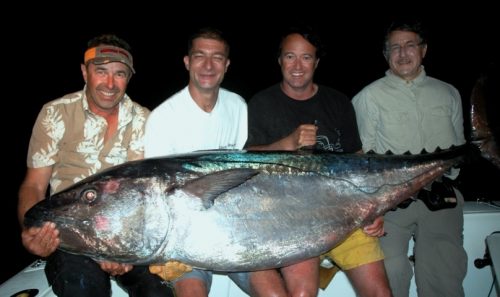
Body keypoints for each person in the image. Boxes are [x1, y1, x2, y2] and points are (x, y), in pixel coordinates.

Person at [234, 25, 392, 297]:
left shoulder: (339, 103)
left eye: (306, 57)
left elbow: (357, 163)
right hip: (295, 222)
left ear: (316, 62)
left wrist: (373, 209)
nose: (297, 65)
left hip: (346, 216)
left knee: (380, 293)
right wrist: (286, 144)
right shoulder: (261, 104)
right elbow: (245, 163)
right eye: (290, 56)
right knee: (302, 294)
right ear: (279, 60)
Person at [18, 34, 174, 297]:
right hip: (68, 235)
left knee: (159, 292)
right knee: (84, 287)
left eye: (120, 74)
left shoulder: (145, 120)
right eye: (101, 71)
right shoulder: (56, 114)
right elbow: (34, 184)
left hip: (125, 235)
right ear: (84, 71)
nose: (110, 84)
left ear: (129, 78)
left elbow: (141, 198)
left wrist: (122, 246)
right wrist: (31, 229)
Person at [352, 20, 467, 297]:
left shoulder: (449, 93)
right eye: (395, 47)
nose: (403, 53)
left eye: (410, 45)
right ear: (386, 55)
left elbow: (460, 148)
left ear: (423, 50)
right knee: (389, 275)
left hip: (442, 198)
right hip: (390, 203)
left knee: (446, 277)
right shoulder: (368, 97)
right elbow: (360, 156)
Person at [144, 27, 247, 296]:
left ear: (226, 65)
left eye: (217, 57)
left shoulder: (238, 106)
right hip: (184, 239)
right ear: (187, 62)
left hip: (231, 230)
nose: (208, 65)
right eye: (200, 56)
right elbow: (158, 197)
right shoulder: (163, 117)